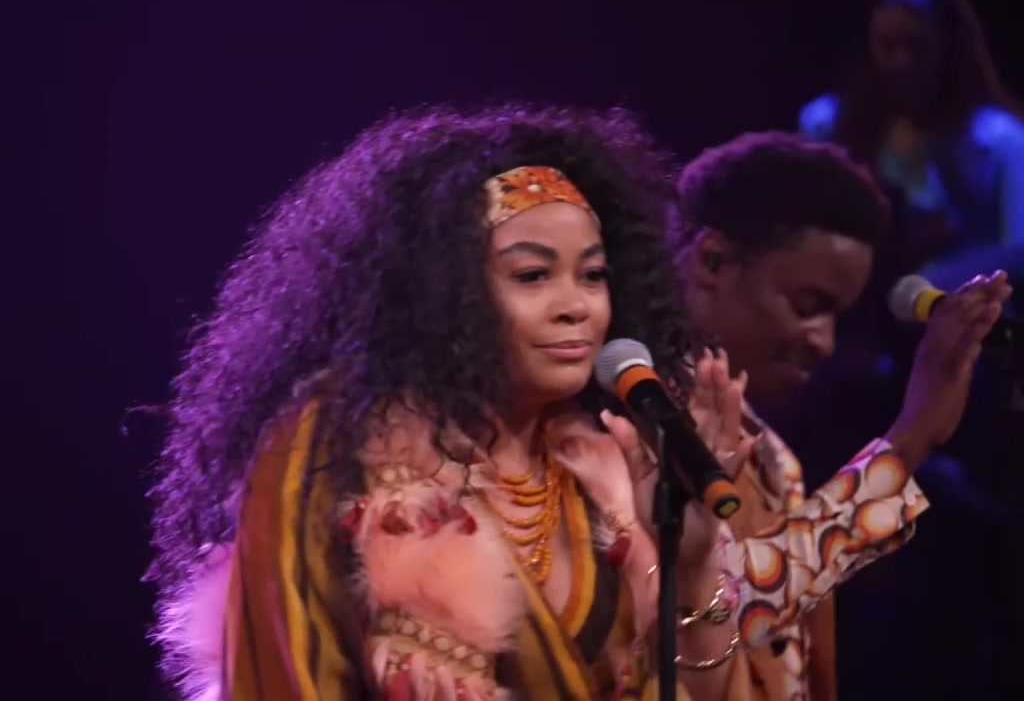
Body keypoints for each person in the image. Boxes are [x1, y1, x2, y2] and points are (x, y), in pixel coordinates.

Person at [145, 106, 1002, 700]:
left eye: (593, 277)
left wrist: (694, 565)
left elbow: (733, 625)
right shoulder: (337, 440)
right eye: (532, 276)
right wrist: (909, 441)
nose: (821, 340)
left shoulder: (623, 451)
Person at [671, 130, 1013, 700]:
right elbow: (719, 613)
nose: (824, 342)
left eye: (836, 316)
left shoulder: (775, 455)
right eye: (807, 306)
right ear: (714, 260)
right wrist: (910, 440)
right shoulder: (624, 421)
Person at [799, 0, 1024, 292]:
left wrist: (927, 282)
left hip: (960, 308)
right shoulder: (824, 125)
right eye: (888, 45)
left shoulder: (1000, 140)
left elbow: (1018, 251)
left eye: (918, 45)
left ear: (948, 43)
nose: (902, 62)